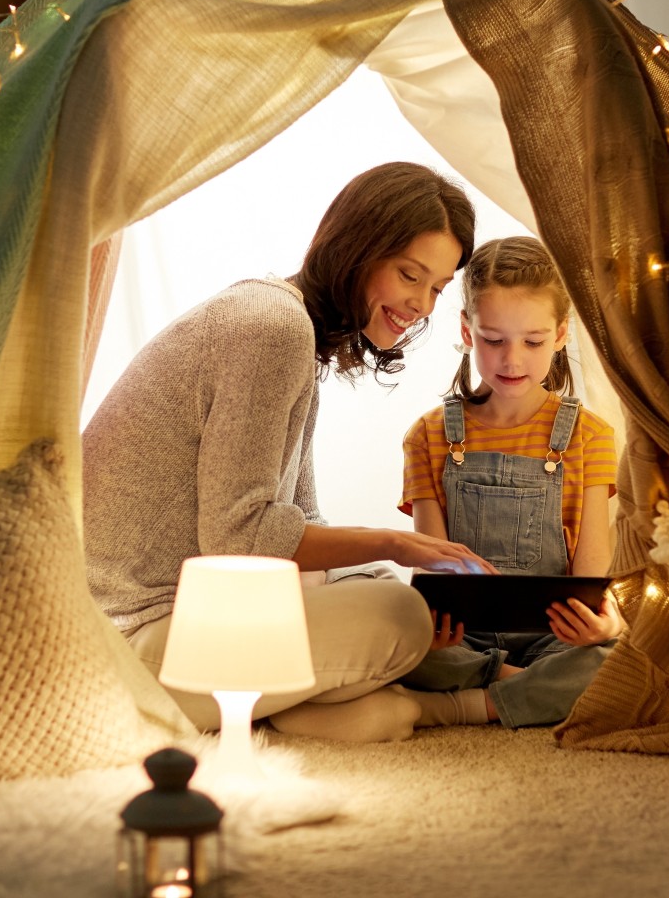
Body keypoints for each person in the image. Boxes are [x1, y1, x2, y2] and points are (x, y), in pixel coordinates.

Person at [83, 161, 497, 744]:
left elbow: (300, 517)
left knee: (392, 597)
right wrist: (394, 543)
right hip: (131, 642)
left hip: (178, 625)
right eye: (410, 275)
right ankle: (439, 706)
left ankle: (299, 709)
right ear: (359, 248)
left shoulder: (289, 328)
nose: (423, 306)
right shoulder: (271, 327)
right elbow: (241, 538)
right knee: (398, 618)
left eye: (437, 287)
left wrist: (379, 570)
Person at [396, 235, 623, 728]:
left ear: (561, 333)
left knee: (610, 660)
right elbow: (433, 565)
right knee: (400, 645)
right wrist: (431, 624)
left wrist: (601, 622)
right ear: (466, 329)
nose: (512, 360)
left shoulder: (590, 435)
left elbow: (593, 570)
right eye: (493, 340)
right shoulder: (428, 435)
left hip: (553, 635)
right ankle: (519, 689)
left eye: (533, 341)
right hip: (464, 638)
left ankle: (472, 702)